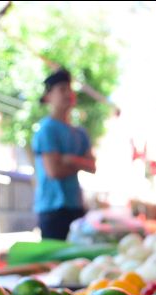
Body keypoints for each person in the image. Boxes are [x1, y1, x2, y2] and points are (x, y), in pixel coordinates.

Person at [32, 68, 96, 240]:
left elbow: (92, 167)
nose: (68, 93)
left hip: (76, 206)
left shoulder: (80, 133)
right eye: (62, 89)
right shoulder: (47, 129)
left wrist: (69, 160)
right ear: (48, 96)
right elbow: (54, 172)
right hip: (52, 210)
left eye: (69, 89)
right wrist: (79, 163)